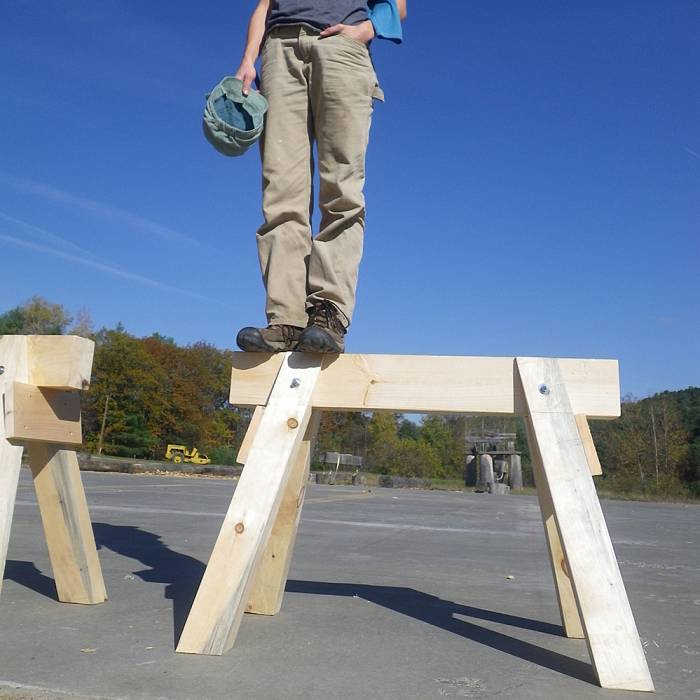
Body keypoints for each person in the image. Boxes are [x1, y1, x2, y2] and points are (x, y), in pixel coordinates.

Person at [235, 0, 406, 354]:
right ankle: (285, 318)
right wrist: (248, 60)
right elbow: (266, 5)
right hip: (280, 50)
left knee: (341, 186)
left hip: (341, 48)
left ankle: (329, 313)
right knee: (281, 189)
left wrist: (365, 31)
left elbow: (398, 5)